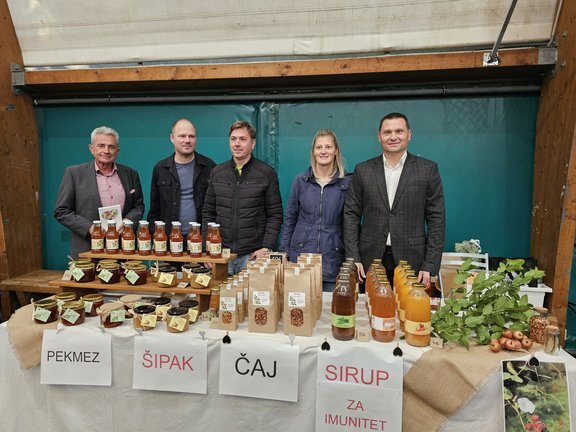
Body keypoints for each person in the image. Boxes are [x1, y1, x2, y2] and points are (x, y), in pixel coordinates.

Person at [343, 112, 445, 287]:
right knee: (370, 311)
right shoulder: (363, 170)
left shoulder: (427, 169)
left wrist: (430, 264)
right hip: (369, 261)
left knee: (409, 312)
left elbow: (436, 219)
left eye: (399, 131)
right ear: (379, 136)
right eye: (387, 132)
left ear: (409, 134)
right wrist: (353, 258)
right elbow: (351, 215)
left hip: (413, 261)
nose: (393, 137)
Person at [202, 120, 283, 274]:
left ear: (252, 143)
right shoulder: (217, 173)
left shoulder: (266, 173)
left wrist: (266, 247)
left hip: (252, 256)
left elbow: (275, 215)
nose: (237, 144)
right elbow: (208, 213)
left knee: (251, 298)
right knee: (221, 298)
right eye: (233, 139)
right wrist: (207, 249)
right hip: (220, 256)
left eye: (242, 139)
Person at [54, 126, 145, 259]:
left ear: (117, 151)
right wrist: (91, 228)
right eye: (101, 146)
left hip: (123, 247)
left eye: (111, 147)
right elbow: (61, 211)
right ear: (91, 148)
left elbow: (138, 206)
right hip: (87, 248)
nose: (106, 151)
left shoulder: (131, 174)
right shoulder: (74, 173)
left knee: (123, 280)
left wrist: (128, 221)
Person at [280, 129, 352, 291]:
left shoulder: (347, 183)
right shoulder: (300, 181)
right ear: (313, 151)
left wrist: (351, 258)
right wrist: (284, 251)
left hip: (333, 260)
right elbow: (290, 219)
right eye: (319, 147)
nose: (323, 151)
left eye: (328, 147)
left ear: (336, 151)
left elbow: (352, 224)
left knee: (331, 312)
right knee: (299, 311)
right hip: (301, 258)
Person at [147, 119, 216, 237]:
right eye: (182, 136)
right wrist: (156, 235)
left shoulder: (210, 167)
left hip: (201, 239)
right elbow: (154, 210)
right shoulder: (160, 168)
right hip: (169, 240)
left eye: (191, 136)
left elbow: (217, 207)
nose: (187, 140)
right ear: (172, 138)